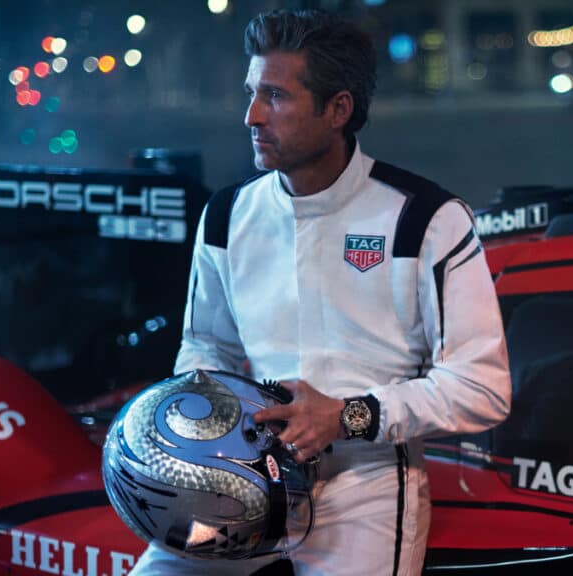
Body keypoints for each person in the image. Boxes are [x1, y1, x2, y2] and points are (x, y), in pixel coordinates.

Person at [130, 9, 511, 576]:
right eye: (251, 93)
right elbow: (205, 347)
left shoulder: (428, 219)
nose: (252, 116)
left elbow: (484, 389)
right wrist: (208, 433)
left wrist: (346, 417)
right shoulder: (228, 214)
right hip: (239, 473)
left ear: (338, 109)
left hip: (368, 484)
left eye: (276, 96)